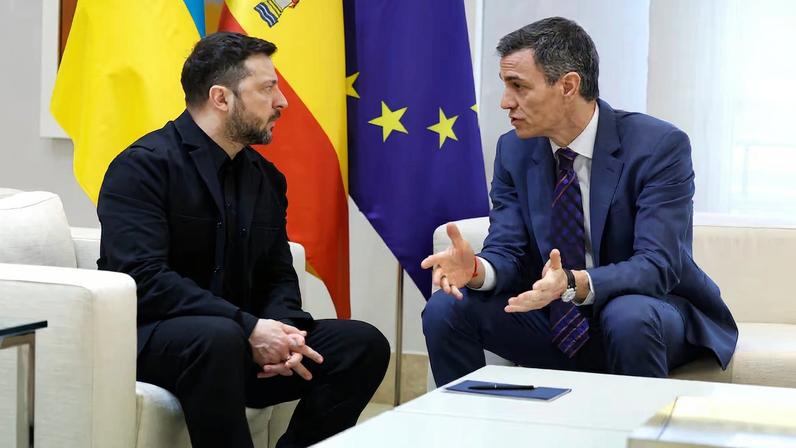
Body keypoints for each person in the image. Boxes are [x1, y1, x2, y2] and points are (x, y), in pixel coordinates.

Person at [97, 32, 389, 448]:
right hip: (160, 341)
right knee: (216, 337)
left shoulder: (265, 178)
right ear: (221, 98)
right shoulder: (142, 167)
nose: (282, 102)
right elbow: (143, 278)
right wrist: (247, 327)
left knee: (362, 343)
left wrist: (283, 331)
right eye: (267, 88)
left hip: (241, 343)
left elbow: (277, 273)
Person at [421, 17, 737, 387]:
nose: (506, 102)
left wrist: (573, 282)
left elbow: (657, 265)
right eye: (505, 86)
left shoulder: (657, 146)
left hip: (650, 311)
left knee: (627, 315)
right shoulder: (514, 150)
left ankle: (638, 441)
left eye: (518, 86)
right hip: (555, 315)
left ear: (568, 86)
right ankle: (471, 432)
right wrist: (477, 270)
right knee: (446, 309)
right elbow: (508, 249)